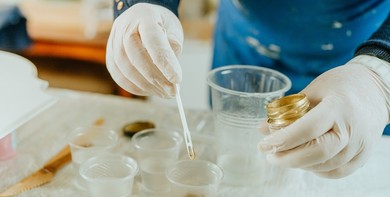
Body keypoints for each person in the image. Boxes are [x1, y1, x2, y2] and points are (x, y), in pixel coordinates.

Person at [106, 0, 390, 179]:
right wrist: (143, 3)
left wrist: (378, 76)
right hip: (245, 46)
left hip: (360, 67)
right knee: (239, 167)